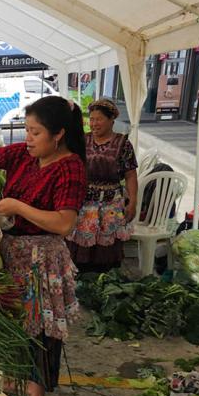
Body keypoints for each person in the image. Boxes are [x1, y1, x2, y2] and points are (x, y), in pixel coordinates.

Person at [0, 96, 86, 396]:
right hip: (14, 253)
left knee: (41, 329)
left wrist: (17, 206)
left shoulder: (70, 166)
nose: (27, 138)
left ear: (57, 135)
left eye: (35, 132)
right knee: (17, 321)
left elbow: (64, 223)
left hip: (43, 259)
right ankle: (18, 378)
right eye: (27, 130)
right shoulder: (24, 155)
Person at [66, 99, 138, 273]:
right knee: (79, 250)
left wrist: (133, 202)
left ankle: (104, 283)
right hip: (84, 204)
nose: (94, 124)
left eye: (98, 119)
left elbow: (130, 175)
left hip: (111, 205)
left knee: (106, 253)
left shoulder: (123, 144)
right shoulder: (82, 141)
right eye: (91, 119)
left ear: (111, 119)